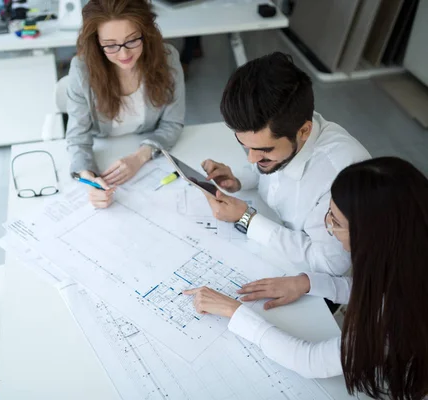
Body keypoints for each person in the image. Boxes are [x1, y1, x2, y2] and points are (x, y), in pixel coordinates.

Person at [185, 157, 428, 400]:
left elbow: (311, 361)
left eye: (336, 222)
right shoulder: (410, 256)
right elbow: (384, 290)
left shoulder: (396, 318)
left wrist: (234, 311)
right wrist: (309, 283)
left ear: (371, 237)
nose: (328, 227)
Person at [202, 52, 370, 276]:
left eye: (264, 150)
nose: (251, 158)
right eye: (245, 145)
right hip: (274, 244)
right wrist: (239, 180)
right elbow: (266, 172)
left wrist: (247, 219)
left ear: (304, 131)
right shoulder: (288, 125)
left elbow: (330, 264)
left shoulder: (341, 174)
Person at [66, 0, 185, 208]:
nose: (124, 54)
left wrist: (139, 157)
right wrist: (89, 180)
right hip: (104, 147)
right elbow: (77, 139)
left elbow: (172, 124)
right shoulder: (81, 70)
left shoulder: (168, 58)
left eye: (132, 41)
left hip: (149, 152)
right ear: (96, 42)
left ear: (146, 33)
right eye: (111, 45)